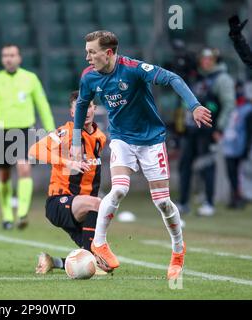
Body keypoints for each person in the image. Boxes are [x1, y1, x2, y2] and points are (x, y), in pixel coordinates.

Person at [72, 30, 212, 279]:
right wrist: (75, 142)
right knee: (118, 189)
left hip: (151, 140)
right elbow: (82, 103)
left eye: (92, 52)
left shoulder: (133, 69)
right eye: (87, 52)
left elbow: (172, 78)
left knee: (162, 202)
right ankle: (99, 243)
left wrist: (195, 105)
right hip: (122, 140)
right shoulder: (89, 77)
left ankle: (178, 251)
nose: (87, 57)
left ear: (109, 52)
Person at [0, 44, 55, 230]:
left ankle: (22, 213)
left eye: (12, 55)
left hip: (25, 130)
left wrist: (51, 130)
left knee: (24, 168)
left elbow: (42, 105)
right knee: (4, 175)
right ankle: (6, 215)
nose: (8, 58)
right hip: (2, 131)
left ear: (19, 58)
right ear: (2, 59)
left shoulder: (30, 78)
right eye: (5, 55)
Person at [29, 91, 106, 275]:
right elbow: (34, 150)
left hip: (83, 210)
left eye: (87, 106)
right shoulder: (65, 133)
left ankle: (52, 261)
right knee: (97, 203)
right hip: (59, 202)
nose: (85, 111)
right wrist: (67, 161)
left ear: (94, 108)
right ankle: (88, 255)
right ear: (72, 113)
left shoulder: (100, 138)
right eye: (79, 108)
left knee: (103, 264)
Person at [178, 48, 235, 216]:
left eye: (210, 59)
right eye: (203, 58)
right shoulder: (196, 77)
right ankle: (183, 202)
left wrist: (220, 128)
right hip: (191, 129)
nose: (206, 62)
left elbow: (228, 104)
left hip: (209, 130)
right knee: (184, 165)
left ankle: (209, 203)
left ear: (215, 60)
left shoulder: (222, 79)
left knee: (207, 166)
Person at [222, 82, 252, 209]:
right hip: (229, 146)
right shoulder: (229, 107)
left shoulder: (248, 109)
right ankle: (235, 197)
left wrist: (246, 147)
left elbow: (249, 130)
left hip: (240, 146)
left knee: (241, 174)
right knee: (231, 174)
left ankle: (242, 197)